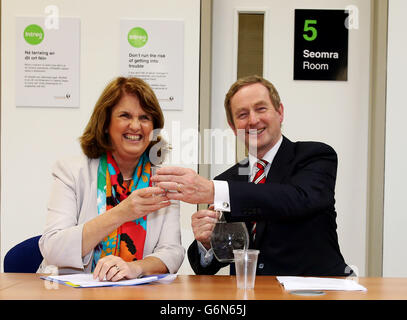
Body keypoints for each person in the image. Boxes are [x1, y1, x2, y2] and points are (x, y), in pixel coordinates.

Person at [152, 75, 352, 276]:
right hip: (249, 294)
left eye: (261, 109)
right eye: (242, 114)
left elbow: (297, 199)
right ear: (232, 127)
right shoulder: (227, 180)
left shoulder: (315, 156)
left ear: (280, 112)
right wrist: (207, 243)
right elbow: (210, 266)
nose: (253, 120)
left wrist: (214, 190)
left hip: (315, 292)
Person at [38, 77, 185, 281]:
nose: (135, 126)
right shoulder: (71, 171)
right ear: (105, 123)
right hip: (70, 291)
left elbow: (172, 253)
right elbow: (53, 248)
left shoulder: (164, 181)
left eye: (144, 118)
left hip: (138, 292)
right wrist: (123, 212)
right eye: (125, 115)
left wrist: (135, 268)